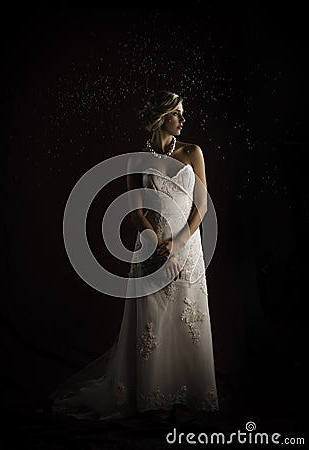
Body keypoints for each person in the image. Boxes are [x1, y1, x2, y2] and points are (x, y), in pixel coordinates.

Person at [48, 90, 219, 422]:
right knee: (153, 321)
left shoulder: (192, 152)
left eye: (183, 113)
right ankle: (152, 395)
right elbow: (134, 208)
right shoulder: (137, 161)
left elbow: (202, 206)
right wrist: (151, 237)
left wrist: (180, 243)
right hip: (151, 249)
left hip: (187, 246)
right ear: (161, 118)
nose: (183, 119)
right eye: (177, 113)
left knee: (187, 318)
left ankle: (188, 392)